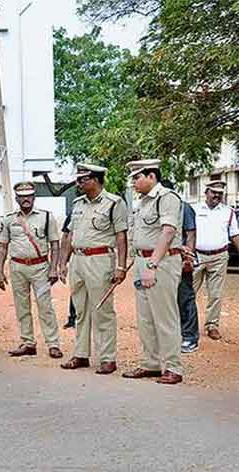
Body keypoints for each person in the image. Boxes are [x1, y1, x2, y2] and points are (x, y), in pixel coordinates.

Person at [58, 164, 128, 375]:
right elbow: (69, 235)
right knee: (80, 311)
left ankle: (108, 358)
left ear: (95, 180)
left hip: (100, 259)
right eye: (78, 180)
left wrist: (121, 266)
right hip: (78, 261)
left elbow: (120, 235)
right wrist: (63, 262)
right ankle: (81, 354)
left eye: (83, 180)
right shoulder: (78, 203)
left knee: (102, 311)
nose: (78, 184)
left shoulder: (114, 203)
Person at [122, 159, 184, 385]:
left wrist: (152, 265)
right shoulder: (142, 202)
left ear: (151, 176)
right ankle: (151, 364)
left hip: (161, 263)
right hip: (142, 261)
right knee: (146, 317)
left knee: (165, 316)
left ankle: (173, 367)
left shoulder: (167, 198)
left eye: (137, 177)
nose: (134, 183)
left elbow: (168, 232)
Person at [0, 182, 63, 358]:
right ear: (16, 198)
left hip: (40, 267)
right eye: (22, 196)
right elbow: (2, 246)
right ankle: (28, 342)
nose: (26, 199)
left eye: (29, 195)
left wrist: (53, 268)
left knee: (45, 306)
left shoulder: (46, 217)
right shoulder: (9, 219)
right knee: (22, 307)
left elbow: (55, 244)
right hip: (17, 267)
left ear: (34, 197)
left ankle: (53, 344)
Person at [192, 179, 239, 341]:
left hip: (219, 257)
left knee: (216, 294)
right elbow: (187, 232)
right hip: (196, 256)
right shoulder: (194, 209)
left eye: (220, 193)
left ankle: (212, 325)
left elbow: (234, 235)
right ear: (206, 193)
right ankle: (185, 323)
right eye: (214, 192)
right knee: (188, 292)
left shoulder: (228, 212)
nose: (217, 196)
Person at [176, 192, 199, 353]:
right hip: (163, 261)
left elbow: (190, 234)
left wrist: (188, 259)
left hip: (181, 259)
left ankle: (190, 337)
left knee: (185, 298)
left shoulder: (184, 207)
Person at [61, 212, 77, 329]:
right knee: (76, 289)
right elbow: (66, 236)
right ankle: (73, 318)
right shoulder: (75, 212)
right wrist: (63, 261)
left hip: (97, 257)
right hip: (76, 256)